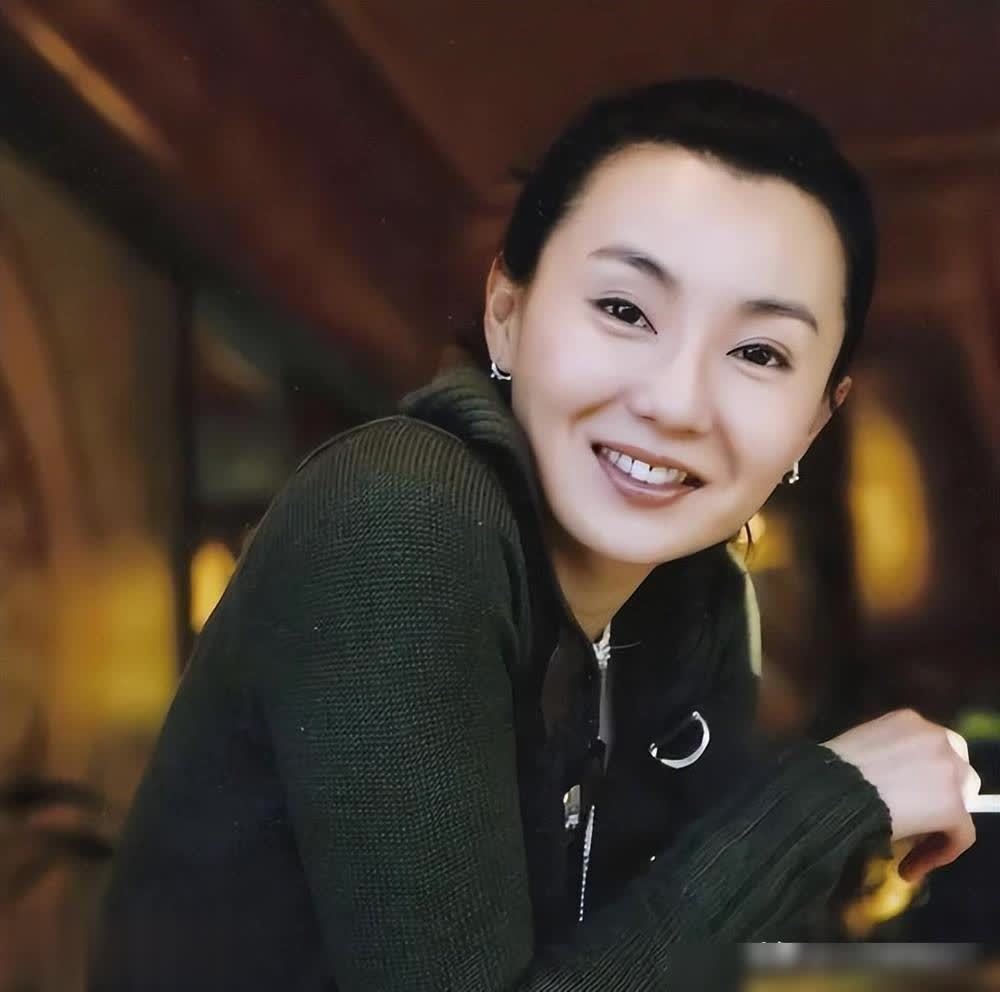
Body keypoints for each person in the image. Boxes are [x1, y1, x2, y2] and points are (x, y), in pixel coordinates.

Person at [89, 79, 980, 991]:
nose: (675, 402)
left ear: (814, 424)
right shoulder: (401, 517)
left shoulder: (699, 608)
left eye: (758, 353)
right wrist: (820, 805)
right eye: (625, 310)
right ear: (506, 315)